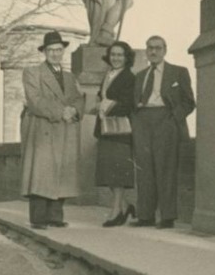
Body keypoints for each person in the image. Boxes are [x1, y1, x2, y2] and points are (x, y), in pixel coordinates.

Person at [20, 31, 84, 229]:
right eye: (51, 50)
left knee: (61, 173)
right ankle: (39, 218)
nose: (55, 53)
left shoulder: (69, 76)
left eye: (58, 49)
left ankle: (55, 216)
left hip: (64, 129)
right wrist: (61, 112)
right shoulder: (32, 72)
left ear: (63, 51)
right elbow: (35, 100)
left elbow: (79, 98)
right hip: (44, 128)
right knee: (41, 173)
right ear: (44, 52)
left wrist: (74, 110)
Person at [130, 35, 196, 229]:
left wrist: (173, 118)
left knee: (166, 169)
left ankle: (167, 217)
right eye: (150, 48)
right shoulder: (140, 76)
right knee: (144, 170)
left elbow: (189, 102)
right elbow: (134, 100)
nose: (153, 52)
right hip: (143, 121)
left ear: (165, 50)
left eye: (158, 48)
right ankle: (145, 216)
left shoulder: (178, 72)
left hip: (166, 121)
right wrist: (137, 117)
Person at [92, 41, 137, 227]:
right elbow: (101, 96)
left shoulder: (129, 77)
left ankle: (116, 210)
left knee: (117, 172)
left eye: (120, 55)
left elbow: (128, 103)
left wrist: (104, 105)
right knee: (108, 171)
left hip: (120, 130)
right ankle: (126, 206)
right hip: (105, 128)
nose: (116, 58)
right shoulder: (108, 75)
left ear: (127, 58)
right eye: (113, 54)